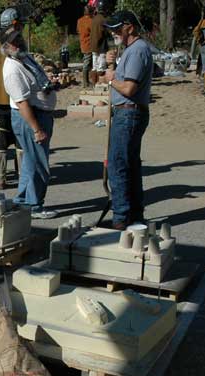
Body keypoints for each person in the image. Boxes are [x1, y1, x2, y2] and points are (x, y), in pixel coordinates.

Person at [104, 10, 153, 230]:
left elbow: (129, 88)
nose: (114, 33)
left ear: (130, 27)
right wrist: (112, 66)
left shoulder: (137, 51)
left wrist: (112, 80)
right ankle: (134, 215)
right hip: (129, 112)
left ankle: (122, 217)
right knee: (130, 164)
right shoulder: (132, 50)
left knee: (118, 164)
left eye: (117, 29)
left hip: (129, 112)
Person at [1, 28, 58, 219]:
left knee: (30, 162)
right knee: (39, 163)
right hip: (30, 117)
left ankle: (23, 201)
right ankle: (35, 206)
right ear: (6, 47)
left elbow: (37, 82)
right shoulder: (11, 70)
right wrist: (37, 129)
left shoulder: (24, 58)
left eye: (19, 39)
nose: (18, 44)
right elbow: (22, 103)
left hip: (39, 113)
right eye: (13, 42)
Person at [0, 7, 24, 189]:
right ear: (13, 25)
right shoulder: (18, 48)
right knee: (20, 138)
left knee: (0, 137)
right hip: (16, 100)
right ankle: (24, 175)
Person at [89, 0, 111, 78]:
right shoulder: (103, 20)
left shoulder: (94, 19)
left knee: (95, 67)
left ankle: (94, 84)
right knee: (101, 68)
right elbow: (108, 32)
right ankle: (99, 84)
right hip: (101, 46)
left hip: (93, 46)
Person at [77, 6, 93, 87]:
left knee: (87, 62)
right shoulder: (90, 21)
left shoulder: (79, 20)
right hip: (89, 44)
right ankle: (86, 82)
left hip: (83, 43)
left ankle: (87, 81)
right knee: (87, 63)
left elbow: (78, 31)